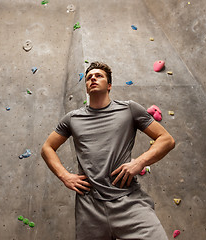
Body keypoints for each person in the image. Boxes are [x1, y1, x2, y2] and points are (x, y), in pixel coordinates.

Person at [41, 61, 175, 240]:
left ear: (109, 85)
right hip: (89, 207)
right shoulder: (72, 119)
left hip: (128, 200)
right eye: (89, 78)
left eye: (99, 76)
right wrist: (65, 176)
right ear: (87, 88)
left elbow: (167, 139)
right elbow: (47, 148)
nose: (93, 79)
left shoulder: (129, 109)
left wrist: (140, 162)